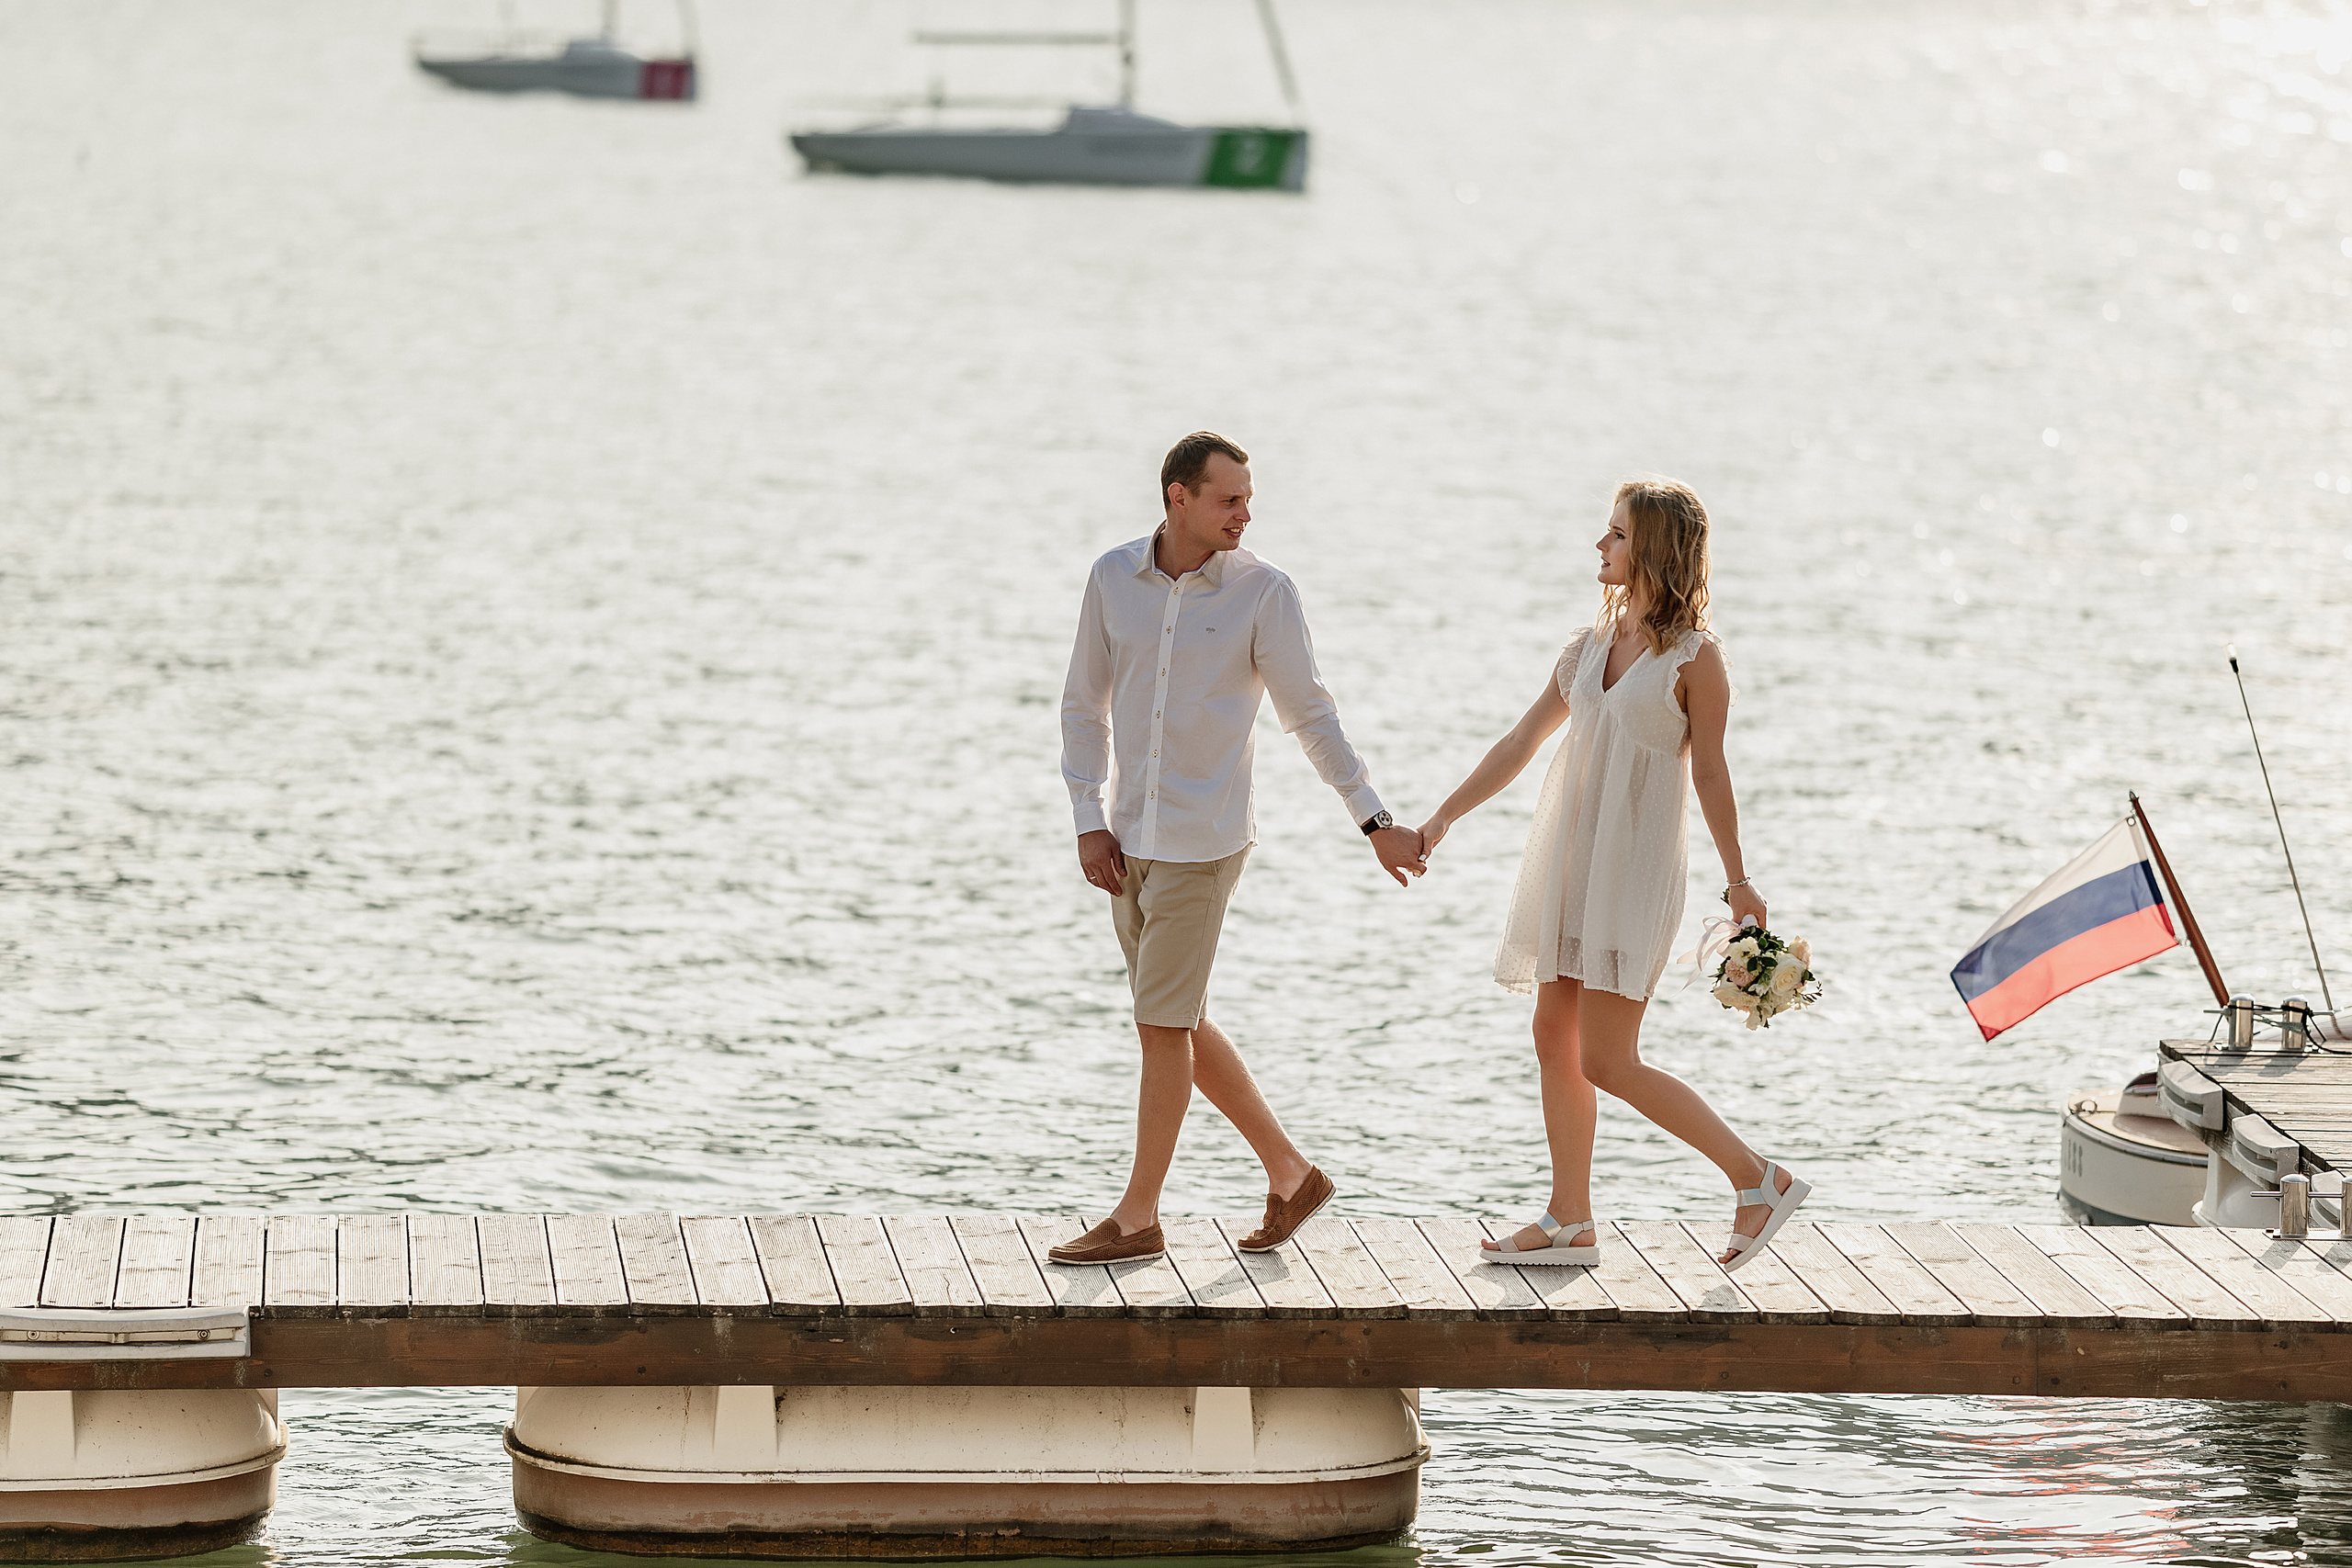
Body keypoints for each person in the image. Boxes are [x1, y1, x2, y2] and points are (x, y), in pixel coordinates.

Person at [1051, 431, 1426, 1265]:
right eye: (1229, 499)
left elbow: (1311, 717)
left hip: (1202, 842)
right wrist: (1086, 814)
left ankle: (1137, 1218)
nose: (1245, 514)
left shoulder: (1265, 592)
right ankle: (1293, 1175)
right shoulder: (1112, 578)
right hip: (1127, 838)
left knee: (1160, 1024)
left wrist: (1375, 821)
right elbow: (1084, 703)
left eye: (1249, 499)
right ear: (1177, 497)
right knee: (1178, 1017)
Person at [1416, 478, 1808, 1272]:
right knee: (1551, 1035)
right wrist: (1441, 819)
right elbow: (1520, 742)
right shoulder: (1587, 647)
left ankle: (1757, 1178)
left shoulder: (1695, 659)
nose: (1601, 545)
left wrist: (1739, 882)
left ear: (1655, 549)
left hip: (1633, 872)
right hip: (1572, 862)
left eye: (1618, 534)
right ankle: (1570, 1219)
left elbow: (1711, 774)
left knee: (1607, 1058)